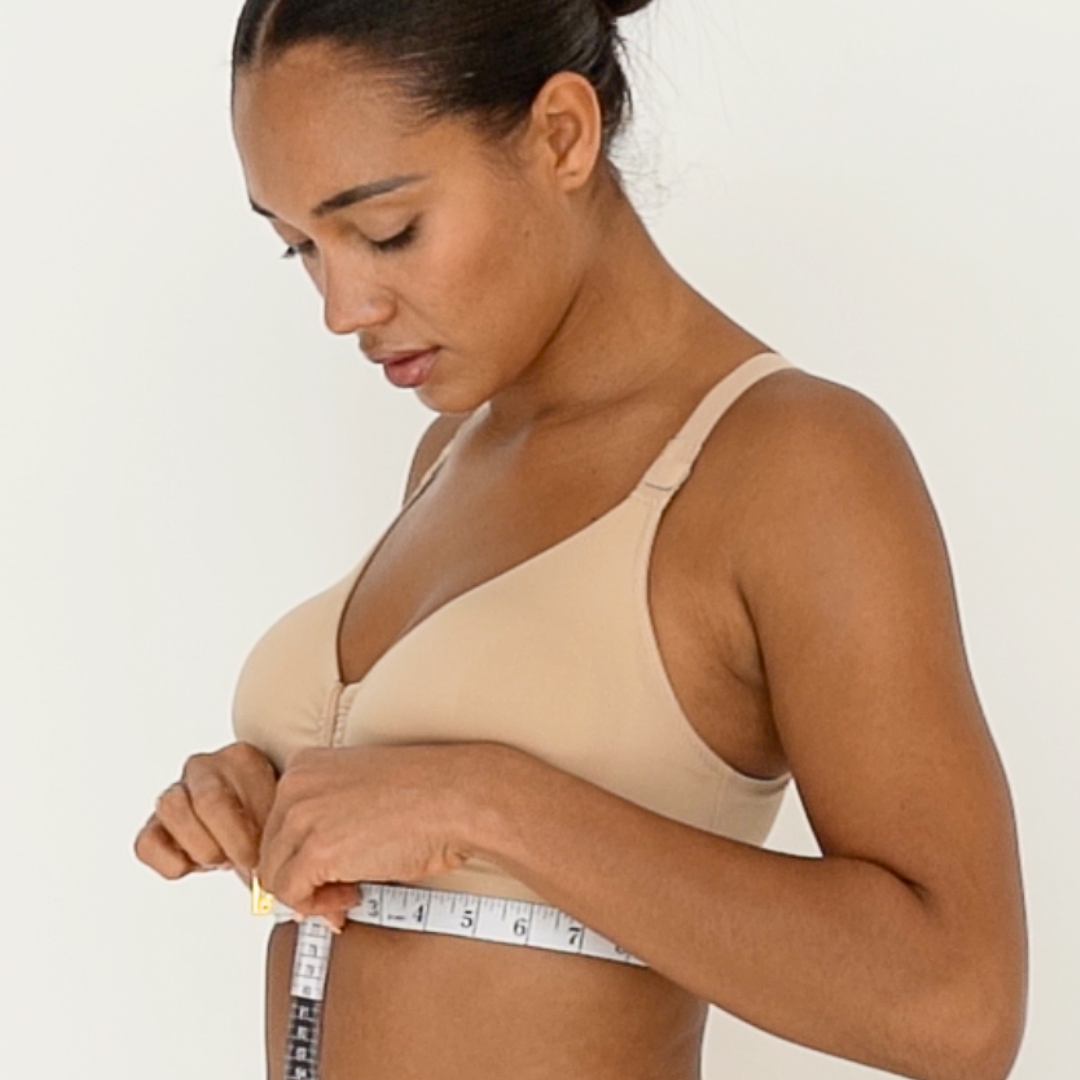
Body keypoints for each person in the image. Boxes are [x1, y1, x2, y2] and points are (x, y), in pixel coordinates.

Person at [133, 1, 1028, 1078]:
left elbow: (959, 1006)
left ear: (562, 133)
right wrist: (263, 805)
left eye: (384, 231)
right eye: (298, 249)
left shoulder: (792, 461)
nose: (340, 306)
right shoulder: (454, 452)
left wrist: (485, 801)